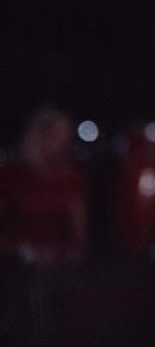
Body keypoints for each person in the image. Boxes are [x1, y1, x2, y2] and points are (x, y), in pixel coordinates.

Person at [0, 106, 88, 267]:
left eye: (66, 137)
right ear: (39, 135)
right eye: (55, 134)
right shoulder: (12, 175)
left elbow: (78, 226)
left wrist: (73, 251)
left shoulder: (69, 176)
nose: (61, 143)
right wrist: (24, 250)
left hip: (58, 266)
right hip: (16, 265)